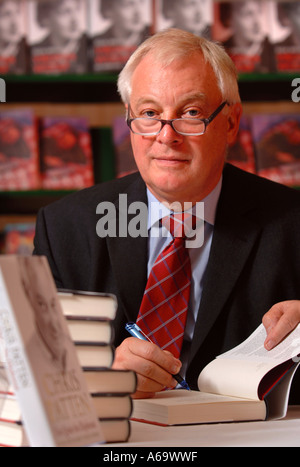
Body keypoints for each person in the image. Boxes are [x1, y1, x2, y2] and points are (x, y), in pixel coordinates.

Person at [33, 29, 300, 402]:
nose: (166, 135)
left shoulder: (291, 224)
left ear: (231, 123)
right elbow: (37, 367)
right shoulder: (65, 228)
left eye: (191, 113)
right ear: (129, 120)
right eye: (149, 113)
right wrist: (102, 377)